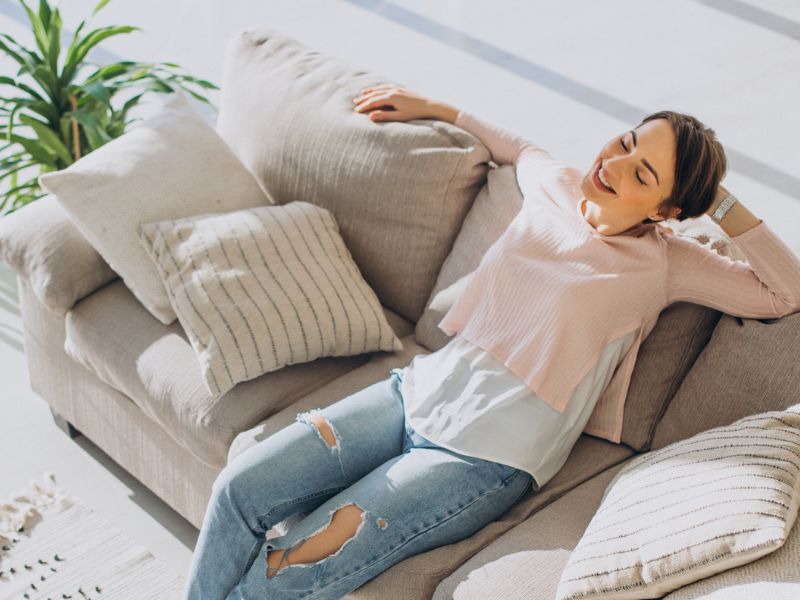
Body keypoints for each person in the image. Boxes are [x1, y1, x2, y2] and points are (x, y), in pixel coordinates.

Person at [183, 85, 800, 599]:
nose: (612, 164)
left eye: (641, 172)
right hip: (412, 394)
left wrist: (716, 199)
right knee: (239, 489)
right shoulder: (555, 185)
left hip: (482, 457)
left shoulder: (668, 262)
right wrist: (436, 109)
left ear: (666, 208)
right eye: (626, 142)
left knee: (287, 568)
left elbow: (784, 292)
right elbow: (519, 147)